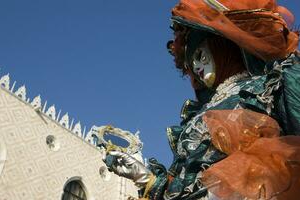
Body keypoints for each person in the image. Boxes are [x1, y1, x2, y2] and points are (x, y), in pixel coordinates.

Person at [102, 0, 300, 199]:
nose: (196, 67)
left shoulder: (266, 88)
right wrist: (144, 177)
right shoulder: (200, 112)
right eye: (192, 61)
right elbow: (186, 183)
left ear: (222, 49)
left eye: (200, 55)